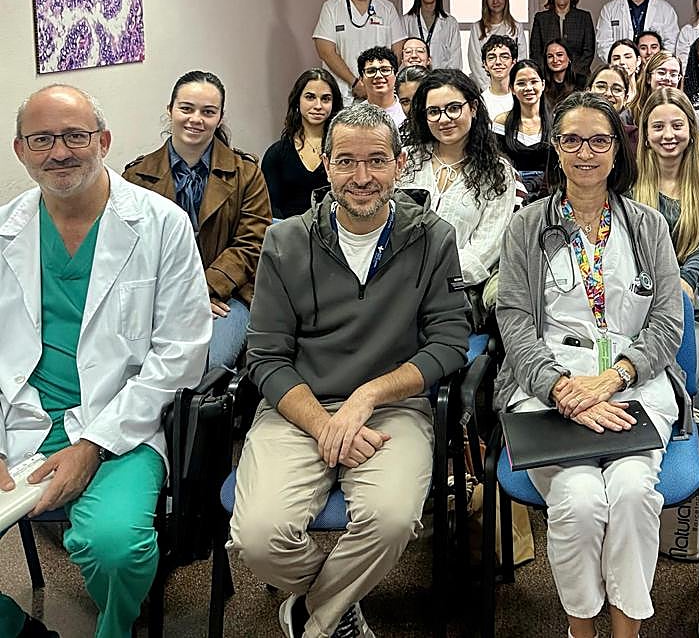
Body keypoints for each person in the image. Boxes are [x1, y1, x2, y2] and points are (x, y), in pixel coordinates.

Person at [229, 103, 469, 638]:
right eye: (346, 162)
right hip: (298, 408)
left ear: (399, 165)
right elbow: (265, 355)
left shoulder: (433, 237)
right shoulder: (285, 240)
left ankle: (311, 617)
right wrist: (324, 424)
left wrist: (366, 399)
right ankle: (338, 604)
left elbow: (451, 343)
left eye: (377, 161)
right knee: (258, 538)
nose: (362, 178)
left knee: (390, 520)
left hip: (392, 408)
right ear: (327, 166)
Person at [0, 84, 209, 638]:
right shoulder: (4, 231)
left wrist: (93, 447)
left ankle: (116, 627)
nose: (59, 152)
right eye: (41, 140)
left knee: (115, 549)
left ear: (105, 141)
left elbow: (181, 355)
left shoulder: (163, 225)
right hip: (19, 421)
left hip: (120, 424)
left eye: (75, 136)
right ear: (20, 152)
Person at [493, 91, 683, 638]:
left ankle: (626, 632)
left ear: (616, 152)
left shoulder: (648, 225)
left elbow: (667, 322)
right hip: (550, 386)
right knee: (577, 500)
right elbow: (514, 320)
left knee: (630, 493)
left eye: (598, 141)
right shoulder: (528, 225)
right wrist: (560, 388)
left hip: (632, 383)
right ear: (556, 147)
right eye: (571, 140)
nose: (585, 153)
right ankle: (581, 631)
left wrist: (613, 377)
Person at [124, 71, 270, 370]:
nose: (195, 119)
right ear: (170, 110)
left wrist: (201, 290)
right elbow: (129, 254)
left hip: (225, 297)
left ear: (219, 118)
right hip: (156, 300)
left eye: (208, 112)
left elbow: (252, 244)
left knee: (205, 367)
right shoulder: (135, 178)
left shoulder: (247, 173)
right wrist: (177, 299)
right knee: (132, 365)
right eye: (186, 109)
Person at [400, 70, 516, 321]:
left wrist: (429, 276)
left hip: (453, 295)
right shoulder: (406, 160)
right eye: (434, 111)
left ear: (473, 107)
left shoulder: (497, 172)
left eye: (453, 108)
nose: (444, 119)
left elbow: (487, 247)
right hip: (394, 286)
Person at [634, 88, 699, 307]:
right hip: (636, 293)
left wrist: (685, 281)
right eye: (658, 127)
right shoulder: (628, 188)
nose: (669, 135)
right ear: (646, 135)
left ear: (691, 131)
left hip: (686, 292)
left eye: (677, 126)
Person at [313, 0, 404, 104]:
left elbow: (398, 51)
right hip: (343, 94)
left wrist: (376, 82)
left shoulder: (387, 8)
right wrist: (355, 83)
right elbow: (325, 51)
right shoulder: (331, 8)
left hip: (379, 93)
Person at [261, 68, 345, 220]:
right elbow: (269, 206)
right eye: (310, 97)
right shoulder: (276, 153)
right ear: (297, 101)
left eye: (325, 99)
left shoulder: (344, 150)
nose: (318, 105)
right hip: (287, 234)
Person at [595, 0, 680, 66]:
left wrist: (655, 64)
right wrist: (622, 64)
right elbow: (603, 44)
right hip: (621, 70)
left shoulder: (666, 10)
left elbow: (671, 43)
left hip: (653, 69)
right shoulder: (609, 10)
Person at [494, 59, 552, 200]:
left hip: (548, 198)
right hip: (510, 196)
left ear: (543, 85)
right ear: (512, 89)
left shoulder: (557, 123)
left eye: (534, 82)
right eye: (521, 83)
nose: (528, 88)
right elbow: (497, 165)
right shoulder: (501, 122)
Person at [529, 0, 596, 75]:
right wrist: (547, 74)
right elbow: (536, 53)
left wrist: (572, 73)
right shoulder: (541, 19)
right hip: (547, 79)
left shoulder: (584, 17)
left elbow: (588, 52)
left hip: (578, 78)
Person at [467, 0, 529, 88]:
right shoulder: (477, 28)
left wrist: (510, 85)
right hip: (483, 86)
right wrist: (488, 88)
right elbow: (475, 60)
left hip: (511, 85)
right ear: (485, 2)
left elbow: (521, 59)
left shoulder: (517, 27)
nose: (495, 1)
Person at [399, 0, 462, 70]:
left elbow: (455, 59)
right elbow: (402, 56)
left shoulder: (450, 22)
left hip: (442, 80)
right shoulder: (406, 21)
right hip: (414, 78)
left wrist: (449, 83)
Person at [357, 46, 405, 129]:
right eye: (371, 71)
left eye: (385, 70)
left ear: (396, 75)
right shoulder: (354, 116)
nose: (378, 76)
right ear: (361, 79)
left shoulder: (407, 112)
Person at [631, 51, 683, 127]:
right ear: (648, 78)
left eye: (673, 74)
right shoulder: (630, 114)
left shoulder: (686, 111)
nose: (667, 78)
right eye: (661, 73)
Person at [589, 65, 637, 145]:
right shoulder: (572, 128)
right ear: (588, 91)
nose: (608, 94)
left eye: (617, 89)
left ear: (625, 98)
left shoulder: (634, 137)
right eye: (601, 87)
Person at [479, 34, 519, 120]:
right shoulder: (480, 102)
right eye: (491, 57)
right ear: (485, 64)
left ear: (513, 62)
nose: (498, 62)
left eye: (504, 57)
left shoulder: (522, 98)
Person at [543, 37, 586, 113]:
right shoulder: (541, 83)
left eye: (559, 55)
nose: (555, 60)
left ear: (569, 58)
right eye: (550, 56)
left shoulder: (582, 82)